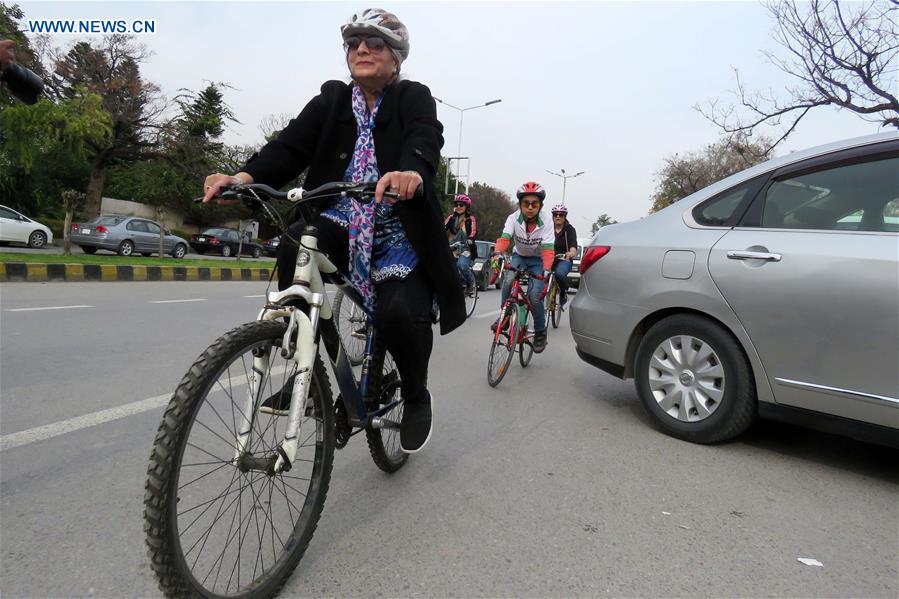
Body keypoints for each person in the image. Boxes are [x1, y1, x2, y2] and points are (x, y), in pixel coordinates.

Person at [202, 8, 465, 453]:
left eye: (374, 43)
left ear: (395, 57)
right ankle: (302, 371)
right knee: (297, 242)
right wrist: (242, 178)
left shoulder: (413, 97)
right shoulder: (332, 100)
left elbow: (425, 138)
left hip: (398, 232)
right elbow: (289, 147)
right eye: (353, 43)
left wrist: (412, 173)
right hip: (343, 219)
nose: (361, 49)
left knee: (401, 313)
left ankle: (417, 396)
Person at [491, 182, 554, 353]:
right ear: (520, 205)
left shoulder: (547, 221)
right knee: (508, 281)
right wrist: (497, 254)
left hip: (537, 260)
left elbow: (548, 249)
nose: (530, 207)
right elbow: (505, 238)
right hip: (519, 256)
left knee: (534, 296)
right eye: (526, 203)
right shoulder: (513, 218)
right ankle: (504, 318)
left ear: (541, 206)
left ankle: (540, 332)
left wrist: (547, 270)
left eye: (535, 204)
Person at [444, 193, 478, 295]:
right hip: (452, 247)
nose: (458, 207)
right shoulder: (451, 218)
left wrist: (470, 239)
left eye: (461, 205)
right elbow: (442, 229)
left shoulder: (470, 219)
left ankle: (470, 284)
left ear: (466, 207)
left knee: (462, 265)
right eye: (456, 204)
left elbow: (473, 231)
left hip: (466, 248)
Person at [550, 204, 578, 306]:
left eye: (561, 215)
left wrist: (571, 253)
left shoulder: (569, 230)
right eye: (555, 214)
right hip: (548, 259)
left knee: (560, 274)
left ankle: (563, 292)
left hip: (564, 260)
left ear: (565, 216)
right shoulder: (548, 228)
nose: (558, 217)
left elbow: (573, 246)